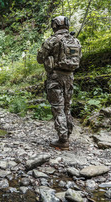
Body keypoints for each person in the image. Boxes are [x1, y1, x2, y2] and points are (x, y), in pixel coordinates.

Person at [37, 16, 82, 150]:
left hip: (55, 77)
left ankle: (63, 140)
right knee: (67, 107)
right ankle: (67, 133)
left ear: (55, 25)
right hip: (70, 77)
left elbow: (40, 58)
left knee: (58, 108)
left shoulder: (52, 40)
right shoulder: (75, 40)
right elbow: (79, 58)